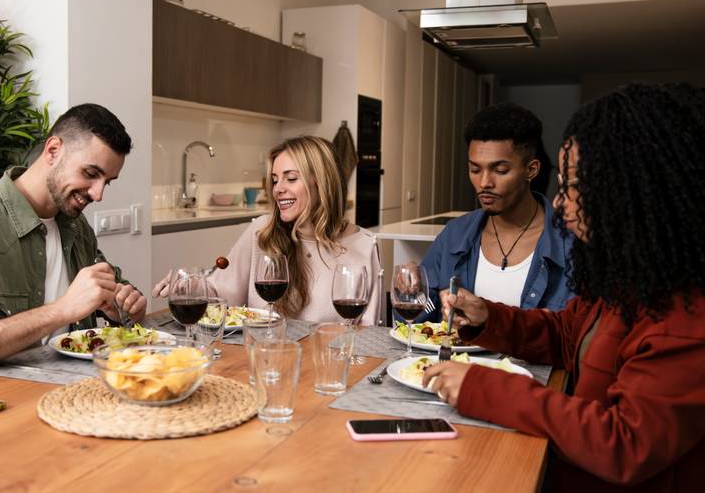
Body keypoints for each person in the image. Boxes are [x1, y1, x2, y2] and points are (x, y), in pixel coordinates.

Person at [425, 83, 705, 492]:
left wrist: (484, 387)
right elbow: (562, 333)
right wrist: (489, 316)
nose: (559, 203)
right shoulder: (628, 283)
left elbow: (624, 445)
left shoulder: (685, 319)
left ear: (628, 192)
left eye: (574, 186)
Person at [0, 103, 147, 382]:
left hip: (70, 393)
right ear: (53, 150)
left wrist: (125, 308)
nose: (98, 194)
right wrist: (61, 310)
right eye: (91, 174)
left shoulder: (76, 226)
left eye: (108, 181)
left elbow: (113, 290)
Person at [153, 136, 381, 325]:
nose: (278, 189)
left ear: (322, 183)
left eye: (291, 179)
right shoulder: (261, 231)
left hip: (325, 369)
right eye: (274, 180)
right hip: (264, 361)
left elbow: (368, 336)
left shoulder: (364, 245)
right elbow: (222, 291)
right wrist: (193, 285)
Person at [416, 102, 573, 322]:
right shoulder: (454, 235)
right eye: (475, 169)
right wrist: (413, 292)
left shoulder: (569, 244)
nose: (484, 182)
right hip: (456, 358)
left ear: (531, 170)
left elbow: (577, 338)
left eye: (500, 170)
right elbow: (420, 318)